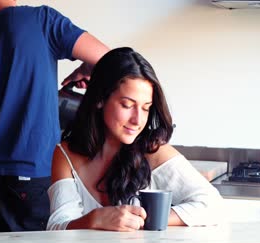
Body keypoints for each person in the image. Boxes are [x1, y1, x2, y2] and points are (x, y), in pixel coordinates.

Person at [0, 0, 109, 232]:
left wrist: (2, 142)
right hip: (36, 179)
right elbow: (111, 60)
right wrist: (87, 68)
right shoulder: (43, 21)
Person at [47, 47, 223, 231]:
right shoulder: (65, 155)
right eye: (127, 105)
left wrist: (147, 218)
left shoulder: (154, 151)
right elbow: (56, 227)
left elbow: (213, 206)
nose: (137, 120)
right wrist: (95, 220)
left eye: (146, 108)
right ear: (100, 99)